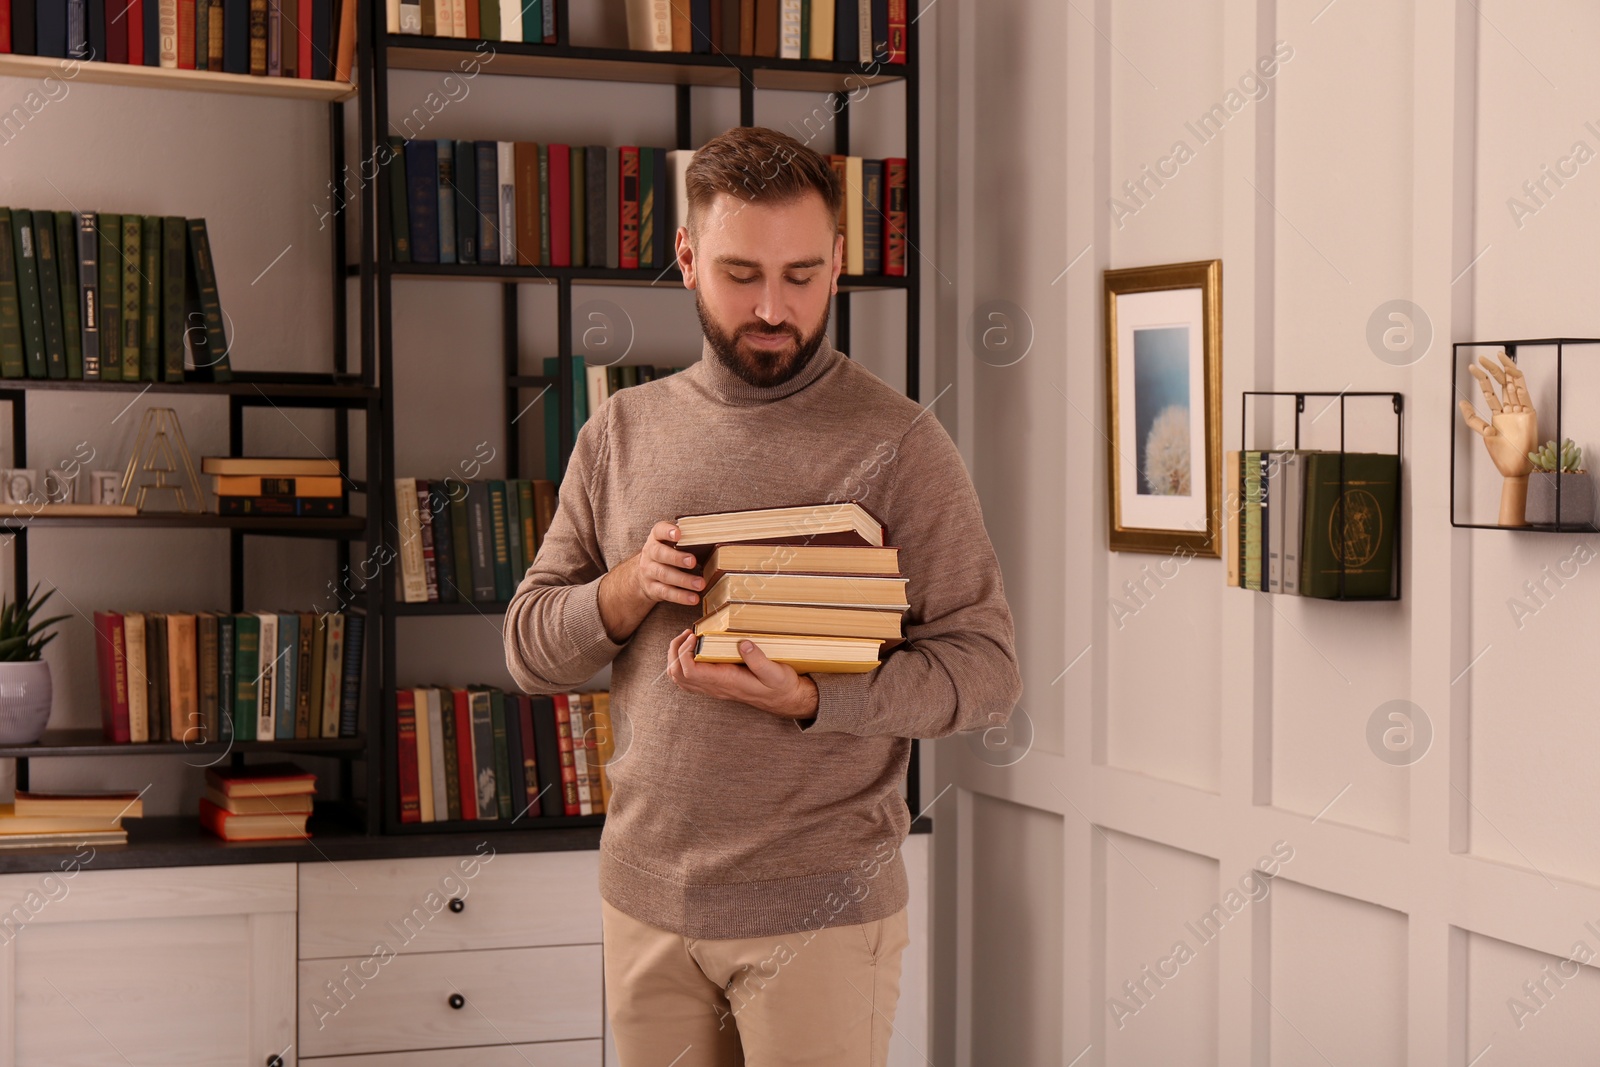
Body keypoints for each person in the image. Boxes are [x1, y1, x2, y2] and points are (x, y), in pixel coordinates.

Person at [503, 124, 1022, 1067]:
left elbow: (986, 671)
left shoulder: (902, 442)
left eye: (802, 274)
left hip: (819, 912)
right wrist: (624, 591)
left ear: (838, 267)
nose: (774, 307)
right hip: (645, 902)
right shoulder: (619, 430)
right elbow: (528, 646)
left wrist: (819, 700)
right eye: (742, 274)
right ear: (689, 261)